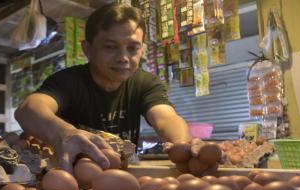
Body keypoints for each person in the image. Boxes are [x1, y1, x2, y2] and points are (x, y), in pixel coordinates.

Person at [15, 3, 190, 173]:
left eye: (132, 48)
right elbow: (28, 110)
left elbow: (166, 118)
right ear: (87, 49)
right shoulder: (69, 81)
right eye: (110, 47)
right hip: (73, 177)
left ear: (142, 50)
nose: (123, 57)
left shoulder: (145, 83)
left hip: (121, 179)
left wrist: (182, 146)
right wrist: (64, 133)